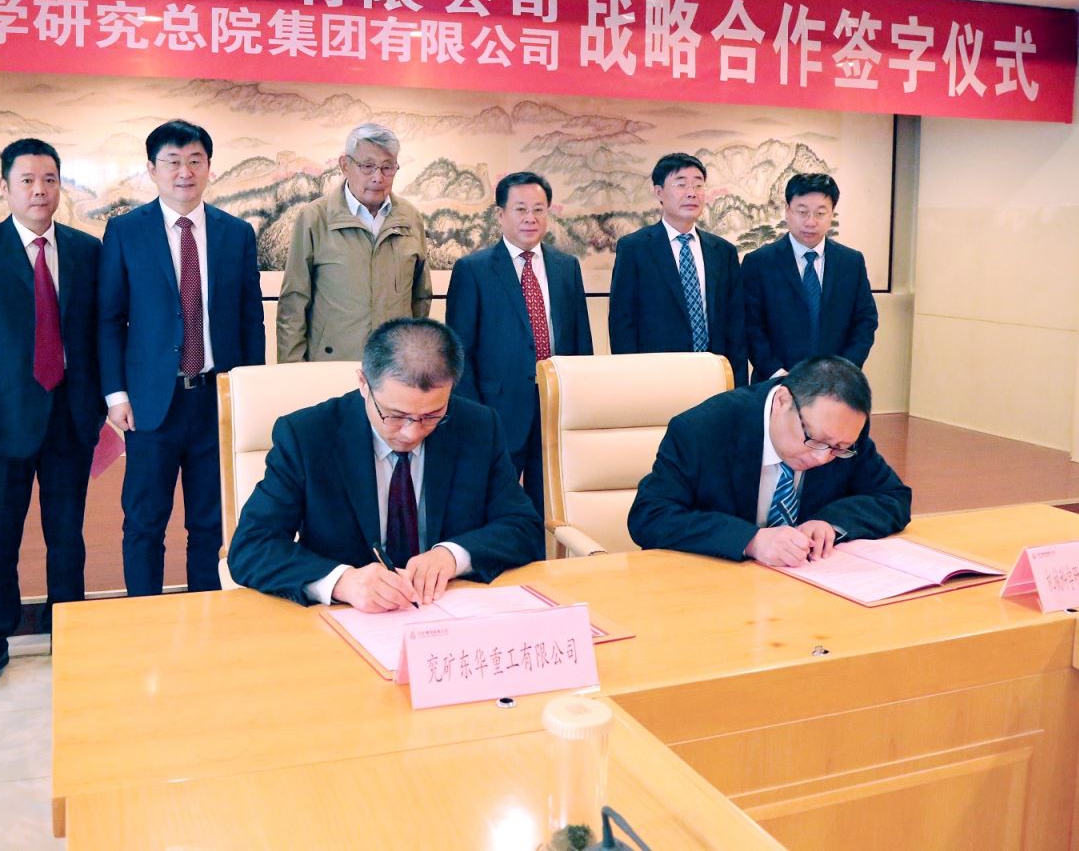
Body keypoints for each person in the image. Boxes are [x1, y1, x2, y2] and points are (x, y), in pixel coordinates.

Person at [228, 318, 544, 611]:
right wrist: (342, 581)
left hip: (446, 611)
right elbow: (252, 547)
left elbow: (523, 527)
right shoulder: (307, 436)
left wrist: (452, 556)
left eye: (432, 416)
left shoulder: (478, 426)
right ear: (363, 383)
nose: (412, 433)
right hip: (343, 619)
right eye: (395, 416)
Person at [0, 138, 103, 690]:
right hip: (2, 423)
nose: (39, 190)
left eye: (49, 180)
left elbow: (98, 335)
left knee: (67, 537)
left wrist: (103, 405)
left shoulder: (86, 251)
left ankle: (70, 634)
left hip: (71, 418)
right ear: (5, 187)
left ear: (60, 186)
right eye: (28, 180)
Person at [98, 120, 265, 595]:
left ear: (209, 167)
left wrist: (247, 393)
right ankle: (144, 613)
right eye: (172, 162)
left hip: (216, 400)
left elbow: (250, 320)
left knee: (211, 524)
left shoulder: (236, 234)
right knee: (144, 521)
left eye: (195, 161)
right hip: (151, 402)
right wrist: (115, 394)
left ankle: (205, 614)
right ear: (152, 170)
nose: (184, 172)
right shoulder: (126, 231)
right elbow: (108, 319)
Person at [628, 355, 910, 566]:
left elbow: (893, 497)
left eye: (839, 448)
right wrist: (750, 540)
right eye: (814, 439)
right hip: (716, 591)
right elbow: (650, 516)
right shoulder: (702, 430)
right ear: (782, 401)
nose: (822, 457)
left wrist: (830, 522)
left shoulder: (842, 433)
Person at [445, 171, 592, 516]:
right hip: (498, 408)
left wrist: (582, 399)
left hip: (556, 406)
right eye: (521, 209)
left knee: (553, 503)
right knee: (494, 502)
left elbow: (581, 342)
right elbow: (459, 352)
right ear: (500, 214)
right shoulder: (473, 269)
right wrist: (475, 415)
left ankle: (546, 551)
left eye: (539, 210)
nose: (531, 218)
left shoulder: (566, 266)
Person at [276, 123, 432, 362]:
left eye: (387, 167)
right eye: (367, 166)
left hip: (393, 366)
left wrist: (414, 360)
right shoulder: (314, 218)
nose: (378, 177)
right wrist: (292, 369)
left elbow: (420, 298)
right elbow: (293, 303)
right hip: (330, 364)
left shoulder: (410, 219)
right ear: (345, 165)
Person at [608, 153, 747, 385]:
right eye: (681, 184)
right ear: (659, 192)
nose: (692, 193)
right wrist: (630, 379)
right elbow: (622, 321)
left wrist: (738, 384)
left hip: (714, 376)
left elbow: (736, 324)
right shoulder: (635, 248)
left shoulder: (723, 251)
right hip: (656, 378)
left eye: (698, 185)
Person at [741, 173, 878, 382]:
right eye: (802, 212)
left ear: (831, 214)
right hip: (774, 382)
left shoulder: (851, 262)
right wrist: (777, 373)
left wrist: (844, 371)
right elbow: (750, 325)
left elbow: (865, 322)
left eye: (820, 213)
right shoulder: (759, 263)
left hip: (836, 384)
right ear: (787, 211)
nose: (811, 222)